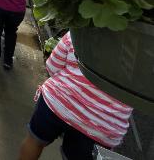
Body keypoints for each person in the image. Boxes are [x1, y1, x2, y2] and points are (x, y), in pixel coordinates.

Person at [19, 32, 132, 160]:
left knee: (34, 141)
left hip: (58, 100)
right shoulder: (145, 56)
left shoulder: (83, 31)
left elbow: (52, 66)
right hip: (102, 125)